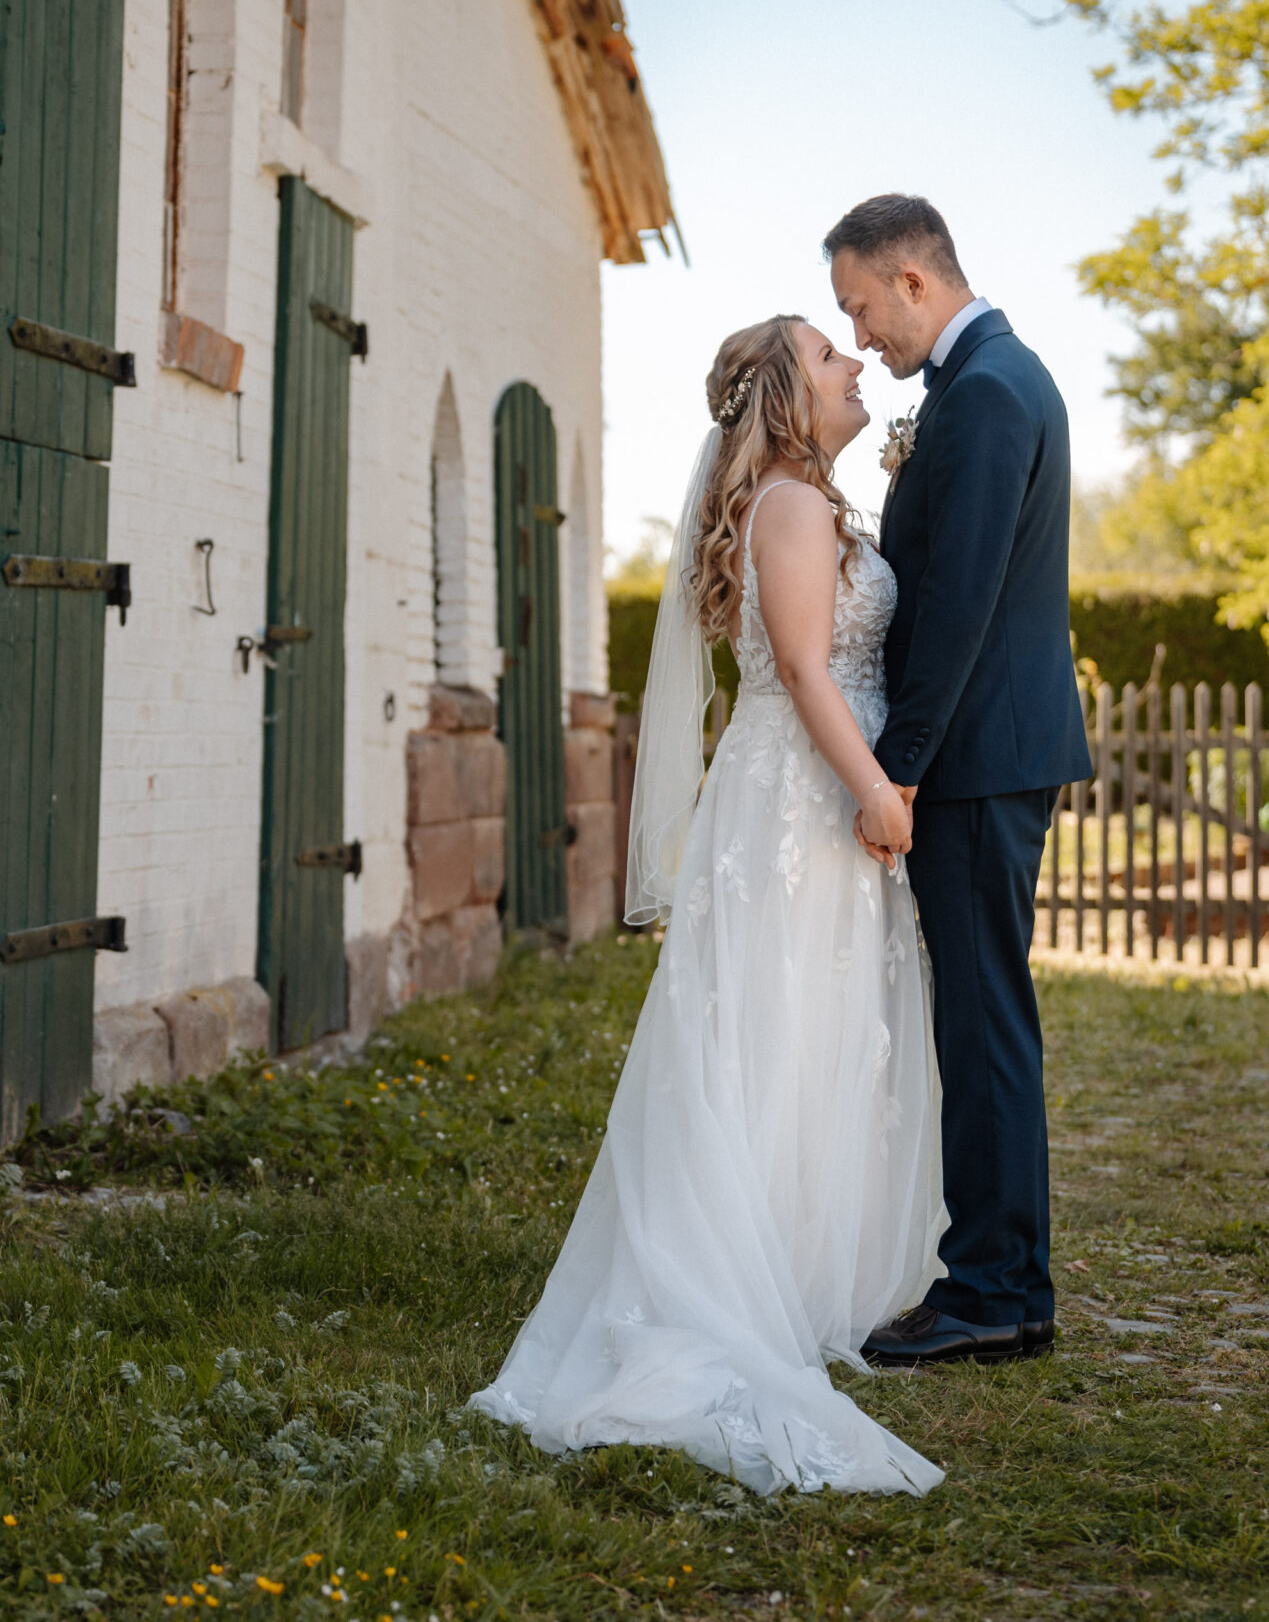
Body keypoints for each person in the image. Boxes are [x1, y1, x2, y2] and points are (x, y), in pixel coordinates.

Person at [468, 314, 947, 1496]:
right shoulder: (787, 505)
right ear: (787, 398)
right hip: (798, 802)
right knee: (777, 1033)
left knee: (821, 1033)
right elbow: (796, 669)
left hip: (812, 795)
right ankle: (736, 1283)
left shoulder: (812, 501)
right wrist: (878, 792)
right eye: (832, 360)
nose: (854, 367)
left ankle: (794, 1275)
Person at [825, 195, 1093, 1367]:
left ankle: (989, 1290)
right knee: (985, 1017)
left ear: (913, 282)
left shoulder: (983, 395)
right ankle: (1009, 1284)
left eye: (861, 306)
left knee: (982, 1023)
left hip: (977, 763)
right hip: (992, 756)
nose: (863, 334)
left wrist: (898, 775)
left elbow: (961, 613)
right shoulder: (992, 375)